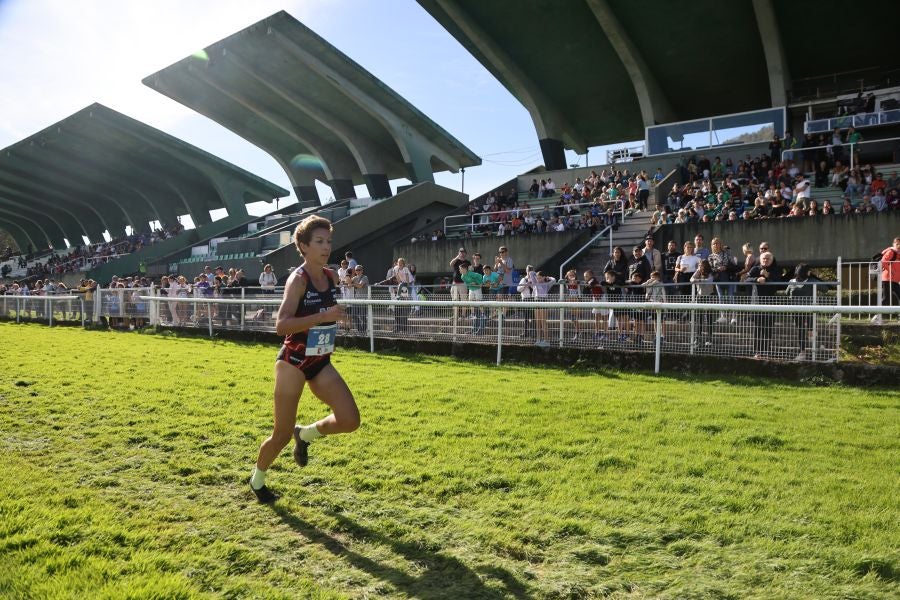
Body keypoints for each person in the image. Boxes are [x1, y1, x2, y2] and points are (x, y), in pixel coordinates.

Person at [249, 215, 359, 503]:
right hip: (293, 362)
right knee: (280, 435)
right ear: (303, 245)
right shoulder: (298, 280)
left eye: (329, 242)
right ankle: (257, 479)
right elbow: (281, 325)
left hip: (320, 361)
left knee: (350, 420)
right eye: (319, 242)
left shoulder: (332, 276)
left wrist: (335, 319)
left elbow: (329, 311)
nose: (326, 247)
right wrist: (323, 317)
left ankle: (306, 434)